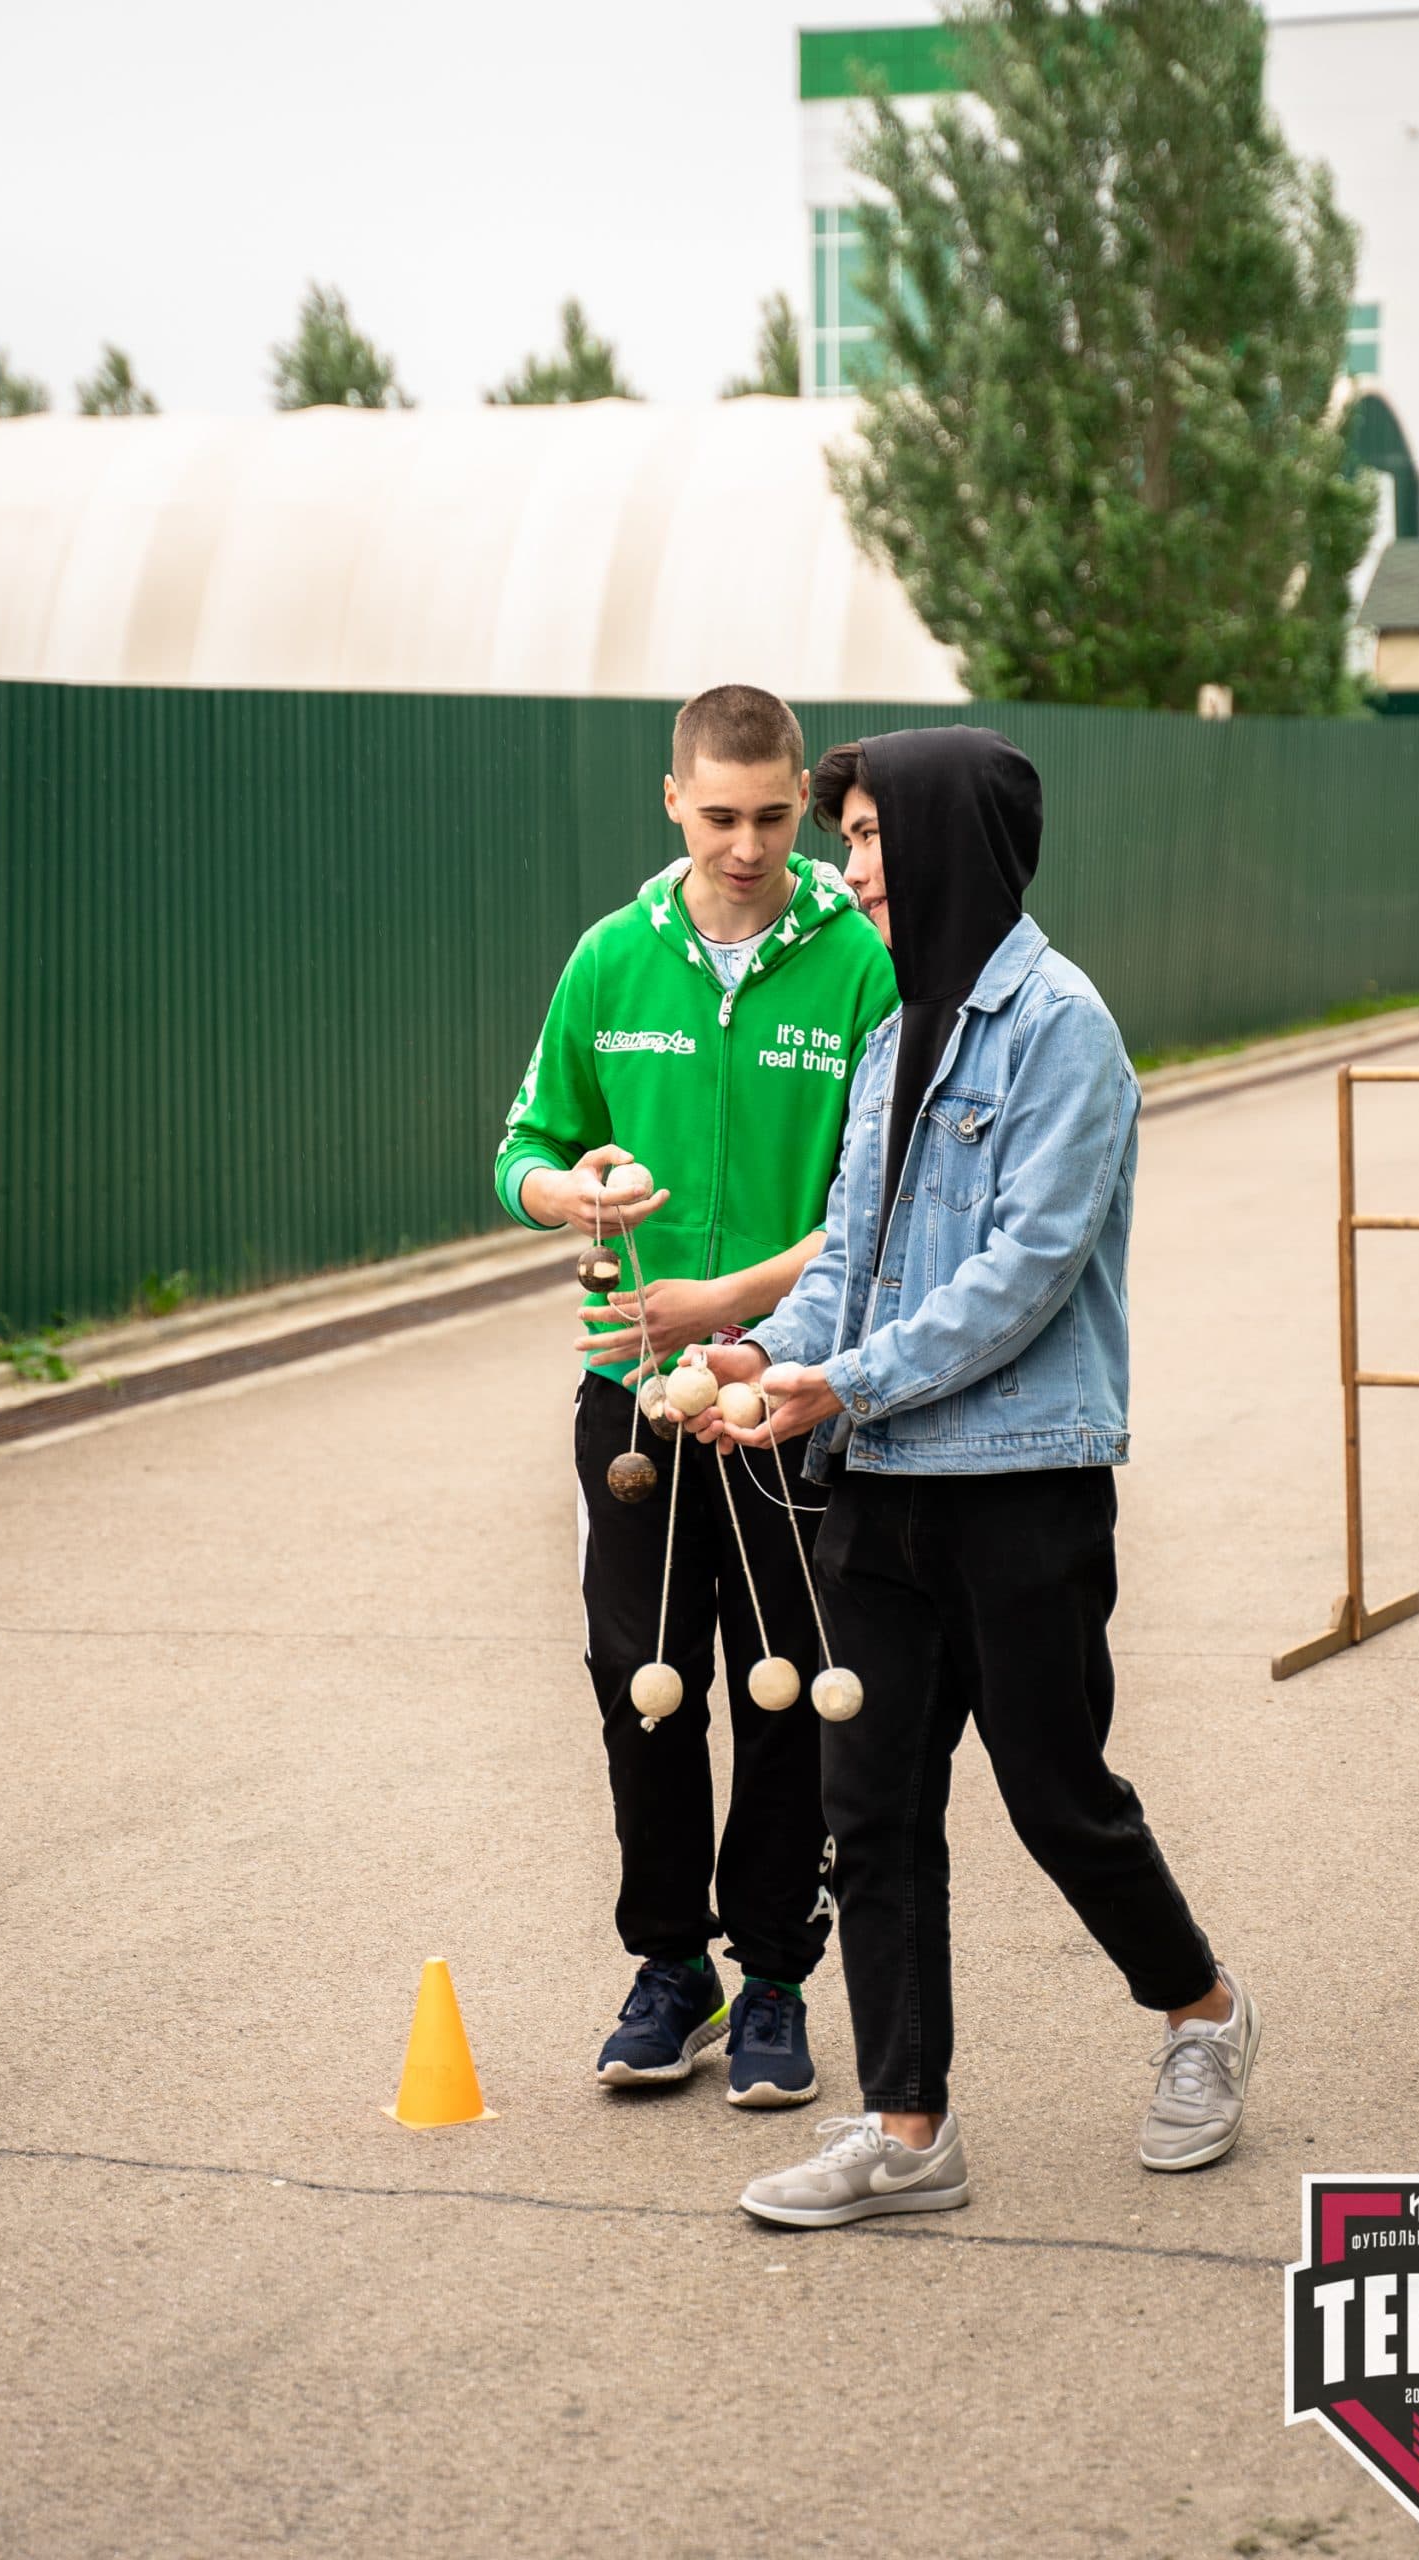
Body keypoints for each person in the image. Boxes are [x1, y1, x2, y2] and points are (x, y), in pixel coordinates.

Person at [682, 725, 1260, 2225]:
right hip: (880, 1481)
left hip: (1019, 1482)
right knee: (869, 1804)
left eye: (871, 836)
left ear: (949, 840)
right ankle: (908, 2128)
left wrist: (842, 1379)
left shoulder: (1064, 1028)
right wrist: (764, 1356)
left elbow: (1025, 1272)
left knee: (1058, 1796)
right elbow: (851, 1256)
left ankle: (1203, 2014)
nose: (850, 867)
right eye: (848, 839)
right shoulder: (895, 1036)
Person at [494, 684, 899, 2108]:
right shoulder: (611, 958)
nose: (747, 847)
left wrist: (728, 1303)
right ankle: (674, 1969)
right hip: (636, 1398)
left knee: (789, 1690)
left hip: (785, 1390)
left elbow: (871, 1207)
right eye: (719, 816)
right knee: (643, 1689)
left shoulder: (861, 967)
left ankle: (776, 1973)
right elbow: (527, 1146)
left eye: (775, 818)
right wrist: (568, 1192)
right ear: (672, 800)